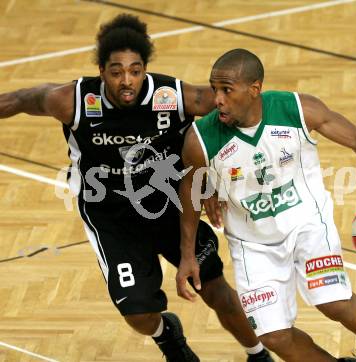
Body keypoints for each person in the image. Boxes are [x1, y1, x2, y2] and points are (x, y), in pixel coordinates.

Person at [0, 17, 274, 362]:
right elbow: (18, 100)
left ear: (145, 69)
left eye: (135, 70)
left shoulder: (172, 96)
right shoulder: (71, 101)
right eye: (116, 72)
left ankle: (258, 353)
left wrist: (212, 180)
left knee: (215, 288)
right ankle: (167, 335)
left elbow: (234, 110)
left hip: (169, 207)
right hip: (111, 217)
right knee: (139, 315)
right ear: (101, 71)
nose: (126, 80)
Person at [177, 48, 356, 362]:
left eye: (227, 89)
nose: (217, 99)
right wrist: (187, 253)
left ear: (254, 89)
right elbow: (189, 190)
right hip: (252, 244)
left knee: (333, 303)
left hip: (307, 223)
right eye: (214, 89)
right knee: (273, 336)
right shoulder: (201, 140)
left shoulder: (296, 109)